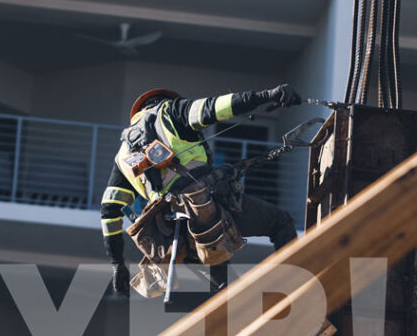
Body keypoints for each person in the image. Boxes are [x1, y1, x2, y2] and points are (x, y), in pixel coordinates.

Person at [100, 84, 302, 295]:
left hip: (176, 234)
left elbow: (109, 211)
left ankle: (231, 312)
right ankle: (292, 290)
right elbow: (218, 107)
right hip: (209, 206)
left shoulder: (123, 156)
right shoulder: (171, 111)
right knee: (280, 223)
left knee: (224, 288)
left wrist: (117, 263)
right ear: (162, 101)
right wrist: (268, 95)